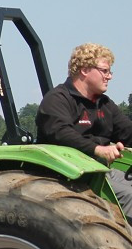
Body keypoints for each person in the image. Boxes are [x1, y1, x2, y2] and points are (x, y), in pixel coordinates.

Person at [36, 43, 132, 213]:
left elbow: (127, 132)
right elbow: (62, 134)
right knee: (129, 195)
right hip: (67, 175)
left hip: (99, 170)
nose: (109, 77)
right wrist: (98, 149)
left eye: (109, 71)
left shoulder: (104, 103)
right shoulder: (57, 100)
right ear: (85, 70)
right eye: (104, 71)